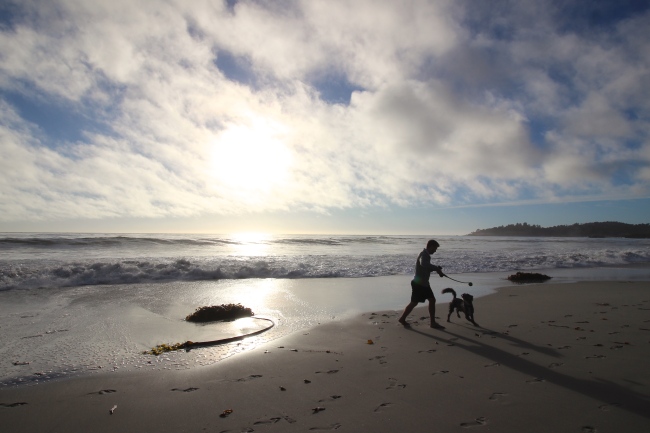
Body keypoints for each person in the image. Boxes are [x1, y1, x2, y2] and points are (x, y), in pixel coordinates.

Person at [398, 239, 445, 329]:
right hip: (420, 284)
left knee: (422, 301)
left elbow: (425, 267)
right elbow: (424, 264)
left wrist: (436, 269)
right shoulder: (424, 255)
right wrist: (437, 269)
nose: (435, 251)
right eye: (435, 248)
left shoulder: (425, 254)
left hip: (422, 283)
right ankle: (432, 323)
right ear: (431, 246)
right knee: (420, 302)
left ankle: (403, 319)